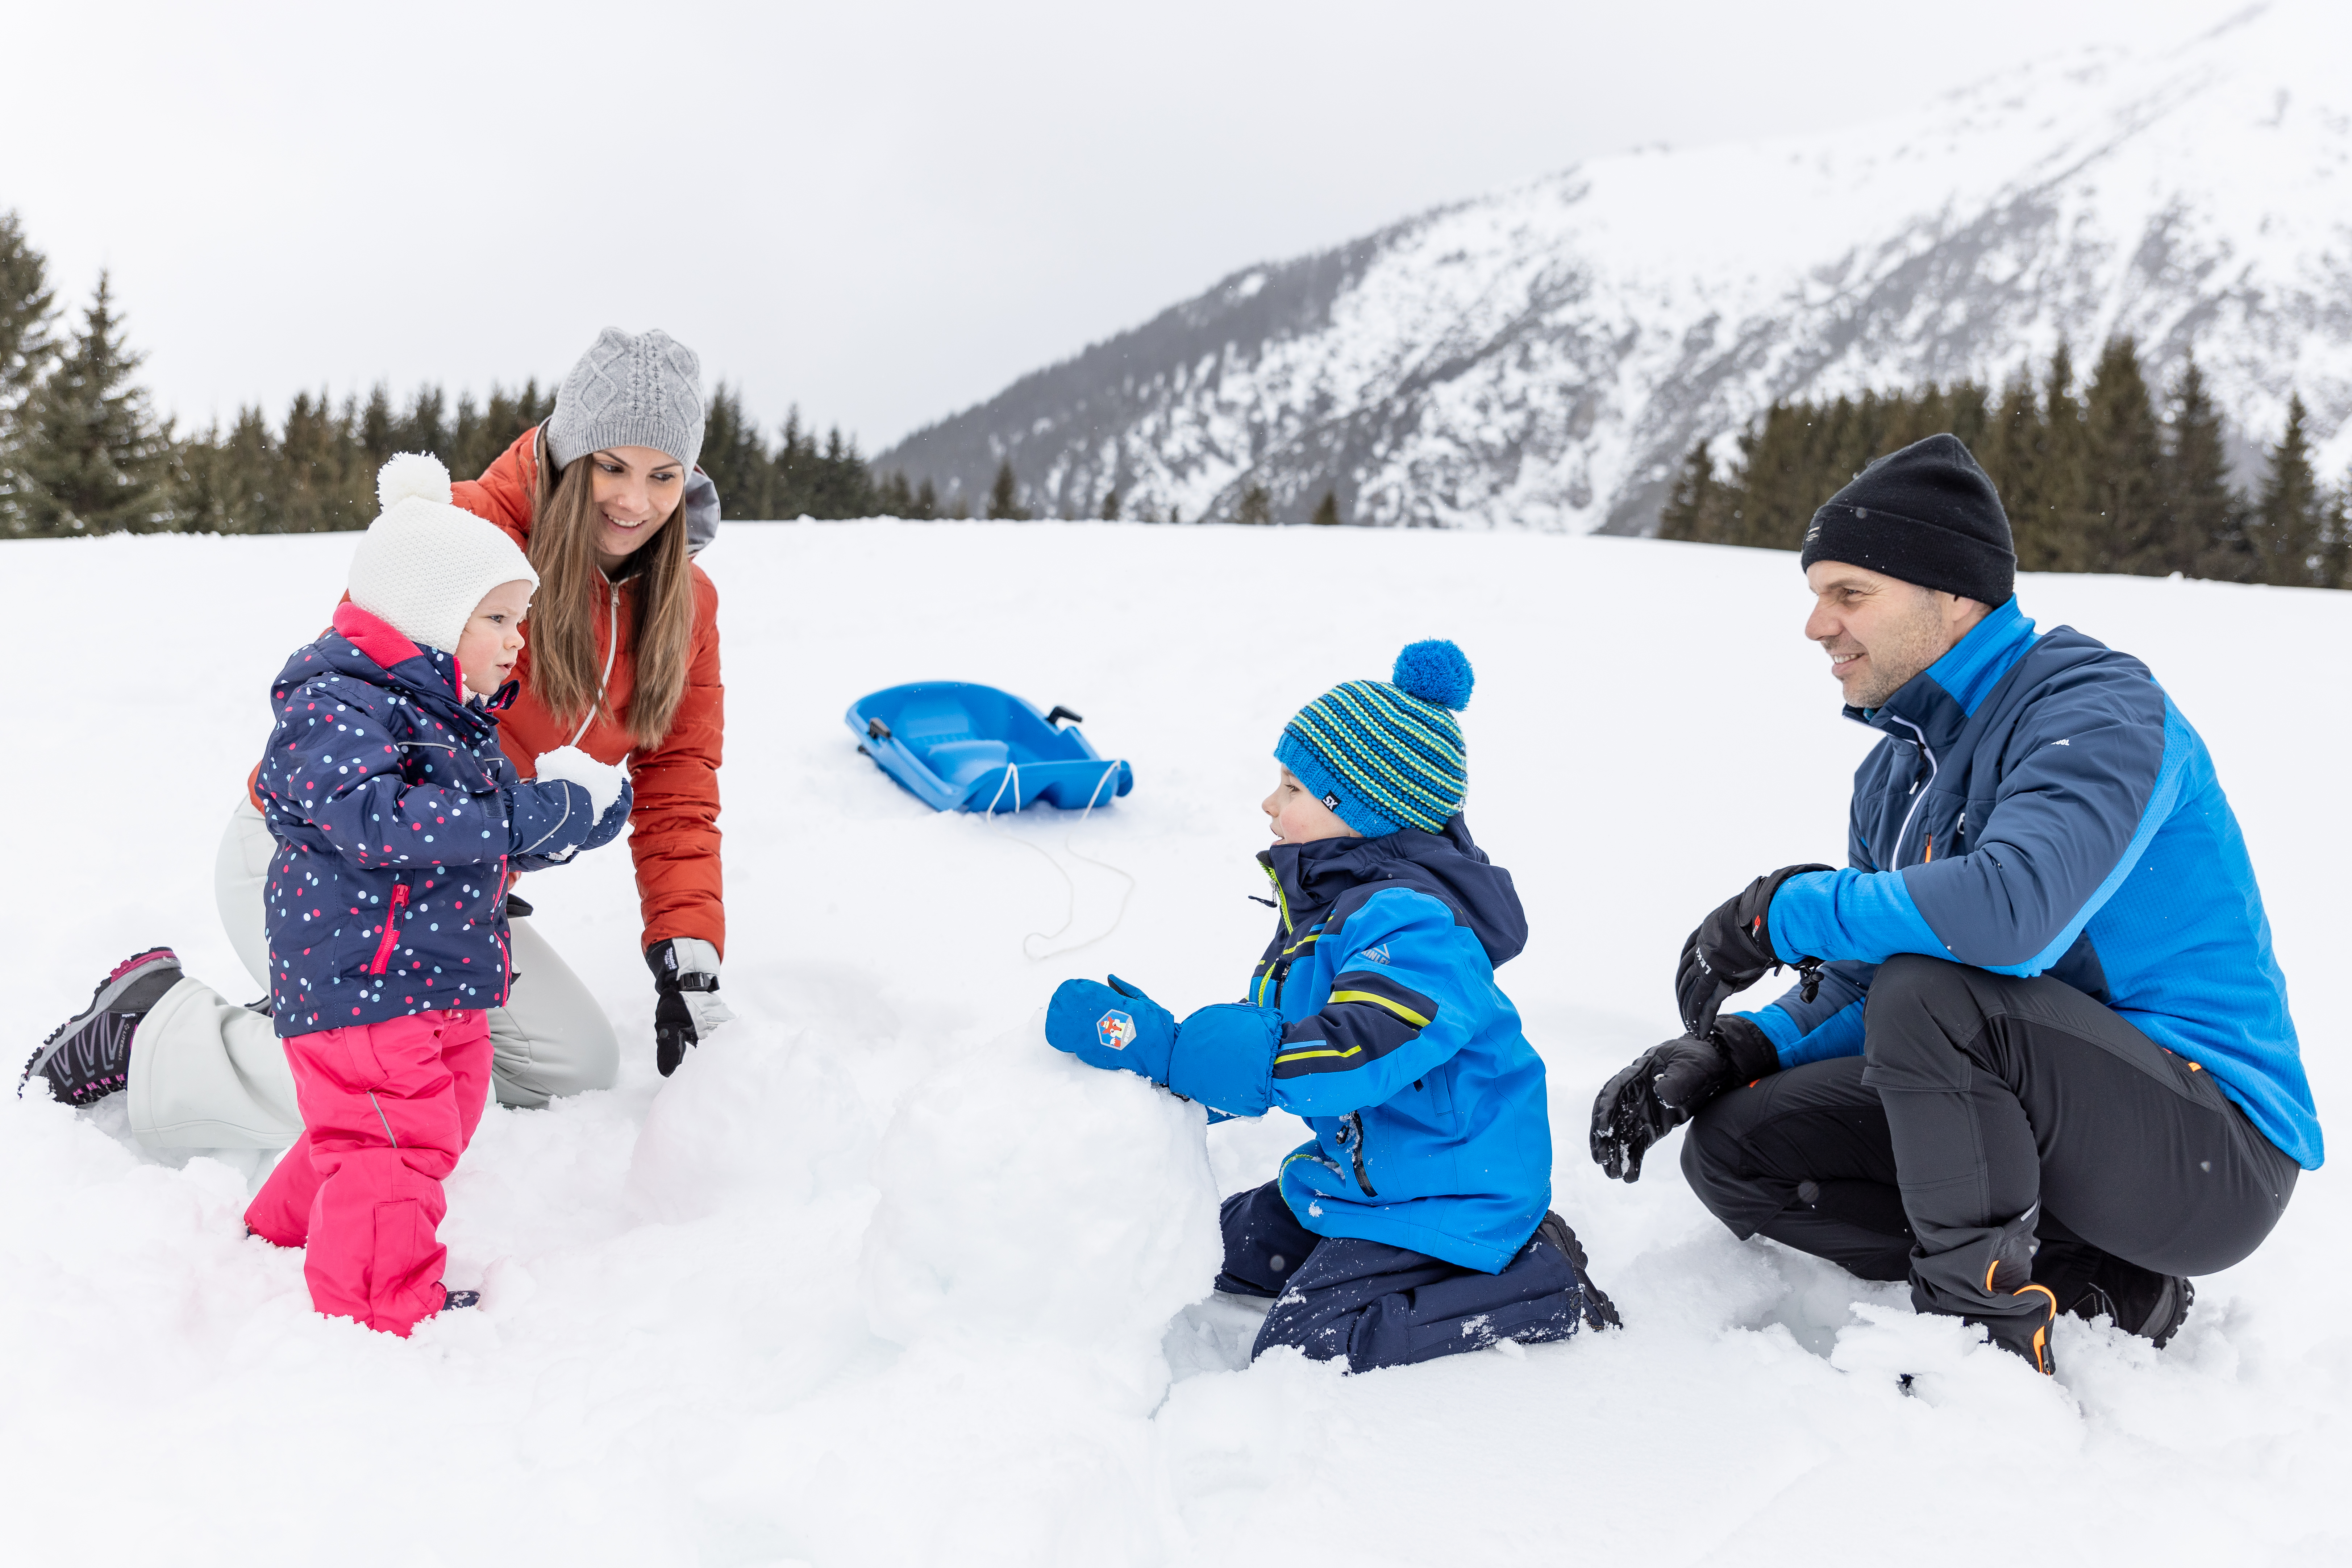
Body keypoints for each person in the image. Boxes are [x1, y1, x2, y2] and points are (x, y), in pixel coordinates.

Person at [1589, 433, 2318, 1374]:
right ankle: (2094, 1281)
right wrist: (1739, 1048)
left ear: (1953, 596)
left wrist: (1782, 910)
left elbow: (2006, 916)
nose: (1817, 626)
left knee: (1939, 996)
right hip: (2051, 1113)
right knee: (1742, 1146)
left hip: (2208, 1152)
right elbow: (1864, 980)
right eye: (1816, 596)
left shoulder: (2096, 708)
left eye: (1848, 595)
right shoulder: (1895, 773)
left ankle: (1981, 1351)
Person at [24, 328, 733, 1154]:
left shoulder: (688, 603)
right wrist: (502, 820)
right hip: (321, 856)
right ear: (569, 456)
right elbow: (350, 708)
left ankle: (312, 1018)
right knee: (398, 1087)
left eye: (663, 475)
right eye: (611, 464)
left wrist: (688, 955)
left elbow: (679, 779)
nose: (635, 501)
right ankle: (153, 1033)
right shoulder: (462, 536)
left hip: (449, 878)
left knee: (568, 1066)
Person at [33, 456, 633, 1333]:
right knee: (393, 1141)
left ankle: (289, 1230)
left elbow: (462, 841)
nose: (517, 641)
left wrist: (558, 828)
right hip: (365, 978)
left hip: (433, 976)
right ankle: (377, 1305)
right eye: (499, 619)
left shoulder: (449, 714)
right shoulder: (335, 705)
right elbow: (380, 821)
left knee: (430, 1111)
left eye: (521, 620)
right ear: (430, 617)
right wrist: (517, 811)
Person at [1046, 641, 1619, 1373]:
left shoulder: (1416, 926)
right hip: (1364, 1179)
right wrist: (1179, 1069)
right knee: (1214, 1249)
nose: (1269, 803)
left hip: (1446, 1199)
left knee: (1312, 1343)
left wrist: (1184, 1051)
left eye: (1292, 787)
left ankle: (1539, 1286)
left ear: (1366, 810)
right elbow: (1288, 1037)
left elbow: (1356, 1049)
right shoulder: (1335, 907)